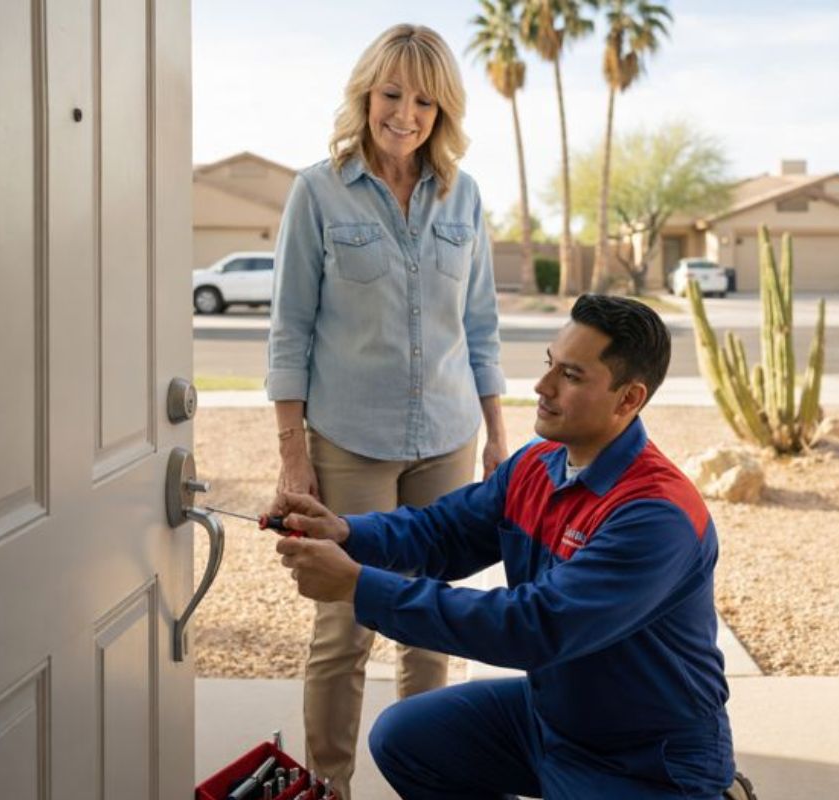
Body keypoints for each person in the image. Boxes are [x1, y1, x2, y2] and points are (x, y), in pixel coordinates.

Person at [272, 296, 751, 799]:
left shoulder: (656, 515)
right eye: (550, 364)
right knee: (405, 738)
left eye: (571, 375)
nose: (543, 388)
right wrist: (347, 533)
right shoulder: (537, 464)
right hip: (551, 718)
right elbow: (444, 532)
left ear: (628, 399)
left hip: (645, 755)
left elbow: (533, 626)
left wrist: (358, 586)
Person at [265, 24, 507, 799]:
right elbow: (290, 329)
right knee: (344, 624)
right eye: (392, 94)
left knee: (430, 621)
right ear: (368, 93)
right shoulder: (318, 190)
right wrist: (293, 452)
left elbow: (481, 327)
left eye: (424, 101)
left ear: (443, 112)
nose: (405, 113)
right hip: (351, 441)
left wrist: (499, 437)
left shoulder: (464, 194)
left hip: (447, 436)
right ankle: (328, 787)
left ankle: (427, 779)